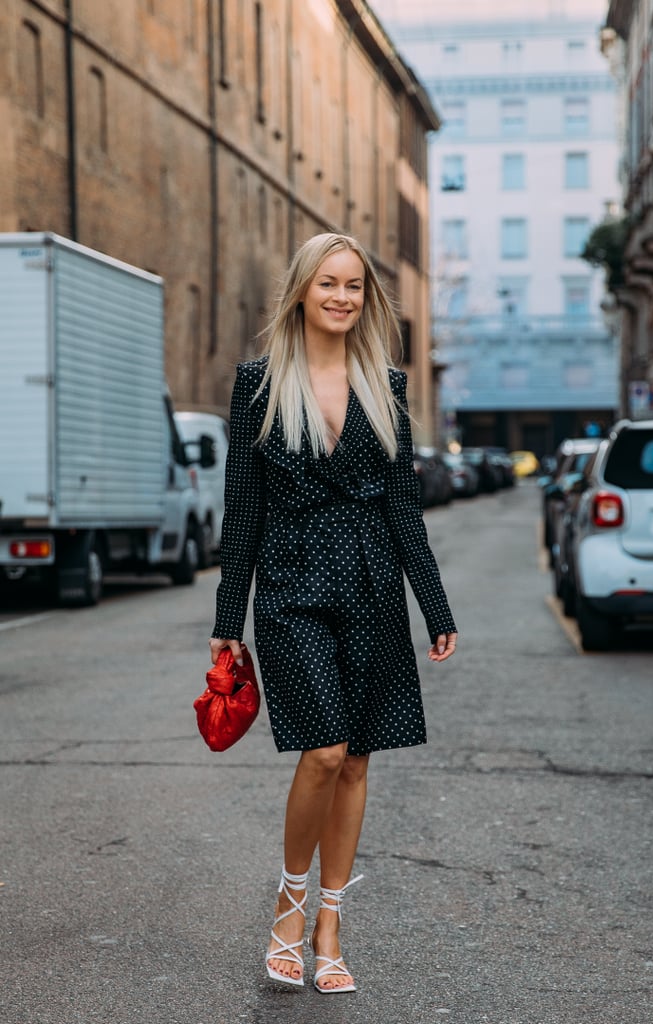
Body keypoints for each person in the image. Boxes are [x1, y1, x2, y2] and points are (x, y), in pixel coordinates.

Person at [209, 232, 457, 994]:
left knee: (355, 758)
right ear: (301, 292)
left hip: (372, 587)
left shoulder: (385, 383)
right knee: (321, 751)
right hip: (287, 592)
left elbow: (403, 508)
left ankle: (331, 921)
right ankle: (290, 902)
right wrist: (226, 627)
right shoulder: (257, 384)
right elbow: (241, 512)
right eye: (329, 284)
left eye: (354, 286)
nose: (343, 297)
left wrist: (434, 604)